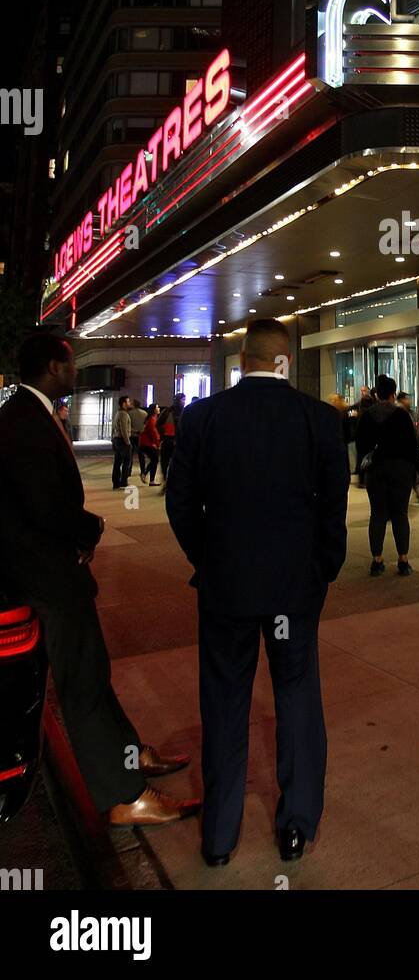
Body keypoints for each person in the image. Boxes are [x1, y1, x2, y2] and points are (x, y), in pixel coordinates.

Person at [165, 319, 349, 867]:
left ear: (243, 361)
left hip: (226, 589)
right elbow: (331, 510)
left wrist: (209, 558)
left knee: (223, 702)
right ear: (286, 361)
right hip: (295, 589)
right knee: (296, 696)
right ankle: (296, 825)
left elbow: (180, 503)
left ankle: (219, 837)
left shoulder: (203, 418)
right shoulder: (319, 419)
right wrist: (323, 569)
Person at [0, 333, 198, 825]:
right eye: (70, 362)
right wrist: (92, 528)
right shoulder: (24, 421)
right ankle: (124, 794)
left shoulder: (27, 413)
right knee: (82, 685)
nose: (76, 370)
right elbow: (44, 504)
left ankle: (130, 756)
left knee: (94, 674)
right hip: (48, 576)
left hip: (52, 571)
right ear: (53, 366)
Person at [356, 375, 419, 575]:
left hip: (376, 470)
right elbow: (413, 446)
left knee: (377, 515)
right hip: (401, 470)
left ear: (377, 394)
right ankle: (403, 560)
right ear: (393, 394)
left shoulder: (367, 416)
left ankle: (377, 560)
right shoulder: (402, 415)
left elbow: (361, 445)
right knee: (400, 515)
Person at [157, 393, 185, 483]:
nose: (184, 402)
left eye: (184, 400)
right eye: (182, 400)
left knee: (177, 464)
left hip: (179, 442)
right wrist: (164, 432)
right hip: (168, 441)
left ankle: (173, 481)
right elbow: (158, 424)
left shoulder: (184, 411)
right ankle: (166, 480)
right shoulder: (167, 411)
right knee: (164, 463)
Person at [111, 395, 133, 490]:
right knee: (127, 461)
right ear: (124, 403)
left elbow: (114, 428)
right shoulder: (123, 414)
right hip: (122, 440)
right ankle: (123, 481)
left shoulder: (118, 413)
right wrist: (128, 442)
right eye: (128, 402)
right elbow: (124, 429)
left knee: (117, 461)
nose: (129, 403)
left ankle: (116, 483)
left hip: (117, 439)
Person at [138, 403, 162, 486]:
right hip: (147, 443)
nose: (159, 409)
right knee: (155, 460)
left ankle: (149, 478)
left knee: (154, 460)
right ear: (154, 410)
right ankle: (145, 474)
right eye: (157, 407)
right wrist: (157, 444)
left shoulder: (152, 418)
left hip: (146, 443)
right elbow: (153, 432)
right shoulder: (152, 419)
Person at [129, 399, 147, 478]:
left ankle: (128, 471)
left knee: (130, 454)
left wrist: (134, 430)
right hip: (141, 436)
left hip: (132, 436)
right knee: (141, 454)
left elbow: (129, 426)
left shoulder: (129, 414)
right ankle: (143, 470)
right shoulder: (144, 413)